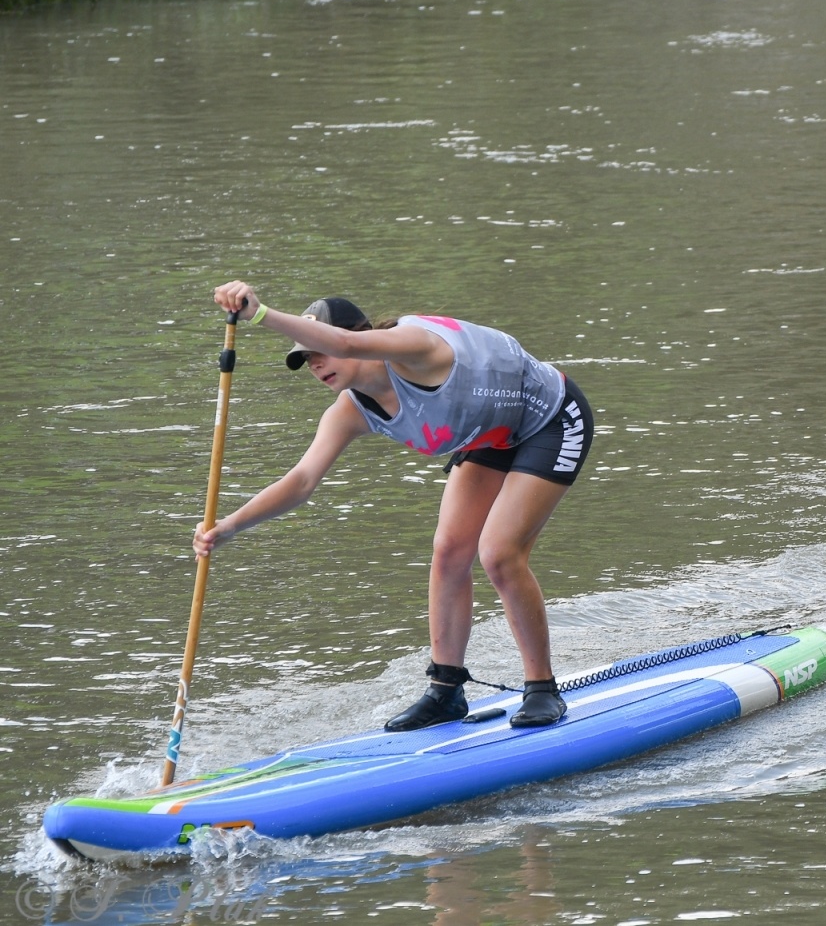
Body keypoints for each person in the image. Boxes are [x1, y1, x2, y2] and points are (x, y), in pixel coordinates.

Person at [193, 282, 594, 729]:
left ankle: (541, 689)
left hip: (550, 419)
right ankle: (445, 690)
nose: (315, 364)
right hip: (489, 435)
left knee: (498, 554)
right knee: (449, 553)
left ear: (361, 337)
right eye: (305, 359)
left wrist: (258, 313)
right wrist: (229, 526)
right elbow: (302, 480)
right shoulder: (349, 411)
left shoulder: (415, 347)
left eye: (319, 350)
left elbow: (344, 342)